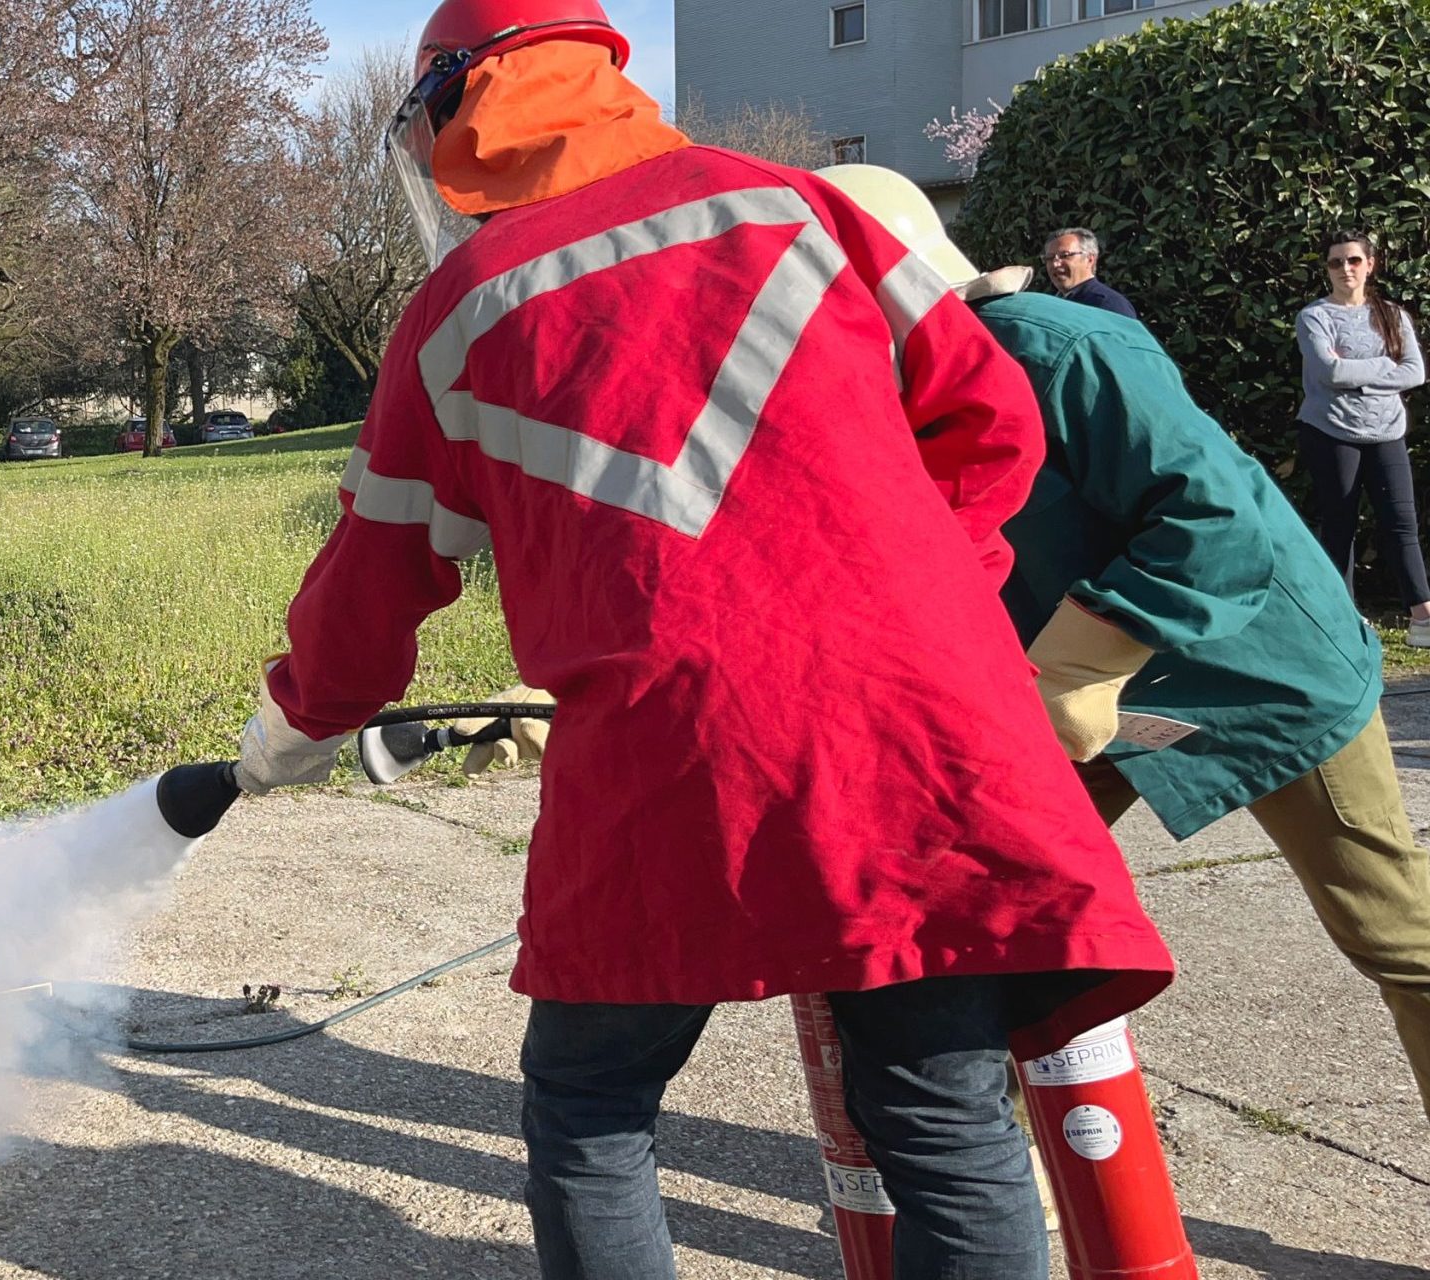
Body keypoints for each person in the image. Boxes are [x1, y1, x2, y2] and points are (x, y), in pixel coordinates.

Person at [230, 3, 1176, 1276]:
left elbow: (376, 572)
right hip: (916, 724)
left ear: (466, 107)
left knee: (591, 1109)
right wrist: (920, 600)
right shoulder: (797, 207)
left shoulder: (458, 309)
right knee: (944, 1121)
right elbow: (991, 421)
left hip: (664, 750)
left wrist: (301, 715)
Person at [821, 162, 1430, 1139]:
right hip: (1075, 700)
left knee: (1394, 935)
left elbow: (1213, 522)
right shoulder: (887, 400)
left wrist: (1072, 665)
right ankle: (997, 1200)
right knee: (983, 919)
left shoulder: (1056, 347)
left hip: (1261, 675)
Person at [1296, 229, 1430, 646]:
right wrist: (1384, 369)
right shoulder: (1314, 317)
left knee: (1402, 524)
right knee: (1339, 524)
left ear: (1370, 265)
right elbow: (1329, 372)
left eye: (1354, 260)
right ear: (1327, 269)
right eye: (1336, 262)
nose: (1345, 269)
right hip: (1331, 431)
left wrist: (1359, 375)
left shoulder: (1392, 315)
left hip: (1387, 432)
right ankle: (1342, 621)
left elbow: (1416, 371)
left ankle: (1423, 620)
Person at [1041, 228, 1139, 322]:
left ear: (1089, 259)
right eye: (1049, 258)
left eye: (1065, 255)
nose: (1055, 264)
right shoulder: (1053, 305)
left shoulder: (1108, 304)